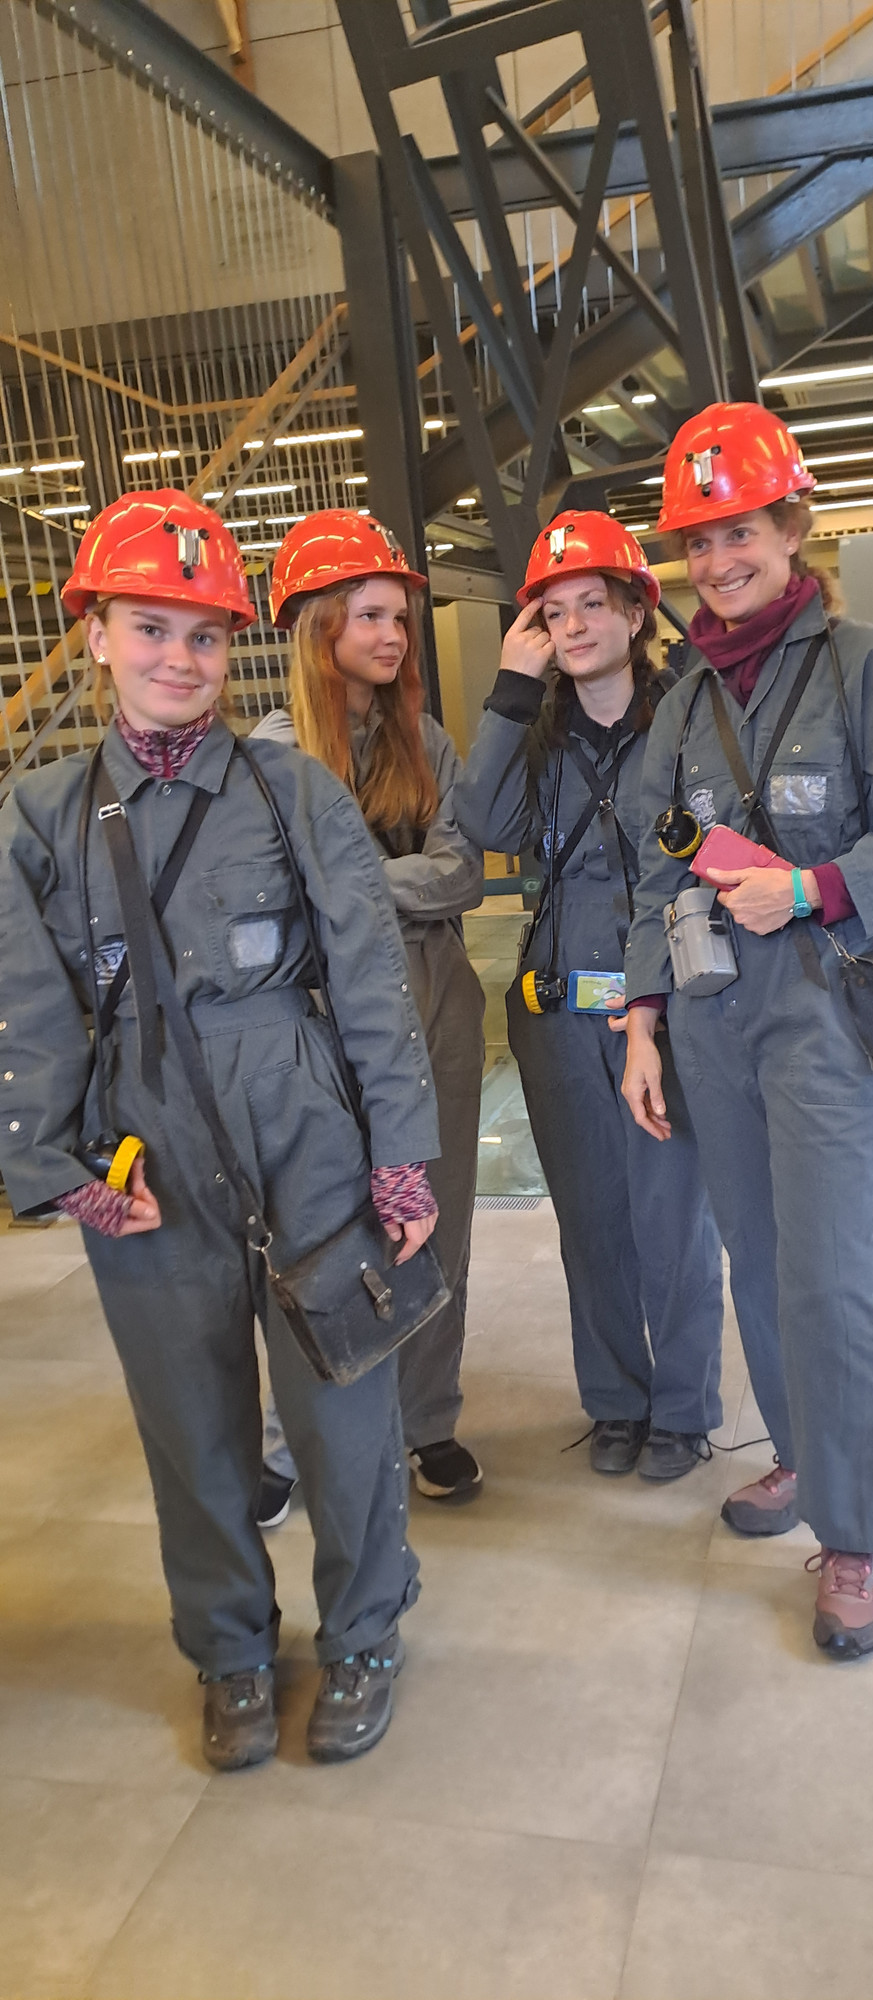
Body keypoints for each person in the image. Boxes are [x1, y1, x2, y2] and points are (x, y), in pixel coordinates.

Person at [0, 491, 440, 1769]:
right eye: (151, 628)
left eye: (204, 635)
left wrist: (399, 1154)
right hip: (140, 1143)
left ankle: (364, 1629)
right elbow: (28, 1005)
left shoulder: (292, 788)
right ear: (96, 635)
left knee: (341, 1397)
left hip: (299, 1113)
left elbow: (368, 975)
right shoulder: (38, 815)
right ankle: (231, 1648)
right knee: (188, 1419)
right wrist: (59, 1168)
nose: (179, 659)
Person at [621, 405, 873, 1656]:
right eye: (699, 541)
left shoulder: (869, 665)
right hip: (712, 1019)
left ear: (790, 529)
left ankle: (854, 1532)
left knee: (828, 1275)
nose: (719, 561)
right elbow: (652, 871)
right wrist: (642, 1021)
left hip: (826, 1009)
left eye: (740, 533)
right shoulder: (682, 705)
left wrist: (814, 886)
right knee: (759, 1264)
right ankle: (800, 1455)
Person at [454, 512, 724, 1480]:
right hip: (559, 1012)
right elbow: (482, 822)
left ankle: (684, 1410)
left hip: (667, 1003)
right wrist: (510, 692)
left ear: (635, 611)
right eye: (553, 612)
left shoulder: (686, 715)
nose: (572, 626)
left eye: (591, 605)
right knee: (592, 1221)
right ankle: (615, 1402)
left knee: (673, 1221)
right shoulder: (535, 734)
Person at [254, 509, 486, 1511]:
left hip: (435, 999)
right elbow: (277, 897)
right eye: (371, 615)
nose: (394, 636)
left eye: (400, 617)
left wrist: (346, 884)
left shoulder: (422, 739)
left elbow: (464, 871)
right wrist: (396, 881)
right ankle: (290, 1441)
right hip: (316, 1016)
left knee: (436, 1217)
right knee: (315, 1225)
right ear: (318, 625)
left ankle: (428, 1419)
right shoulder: (269, 756)